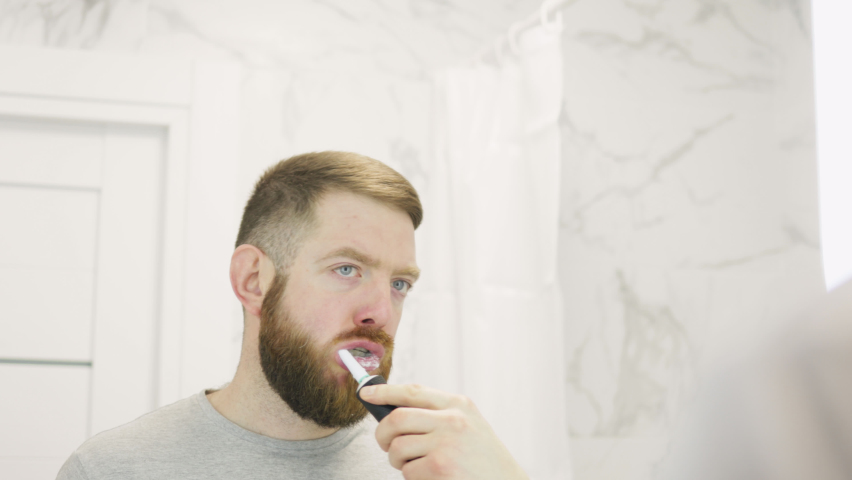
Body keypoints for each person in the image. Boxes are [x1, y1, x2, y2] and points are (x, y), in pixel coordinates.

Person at [57, 151, 528, 480]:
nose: (381, 313)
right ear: (253, 281)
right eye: (347, 269)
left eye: (399, 284)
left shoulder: (436, 468)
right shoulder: (113, 470)